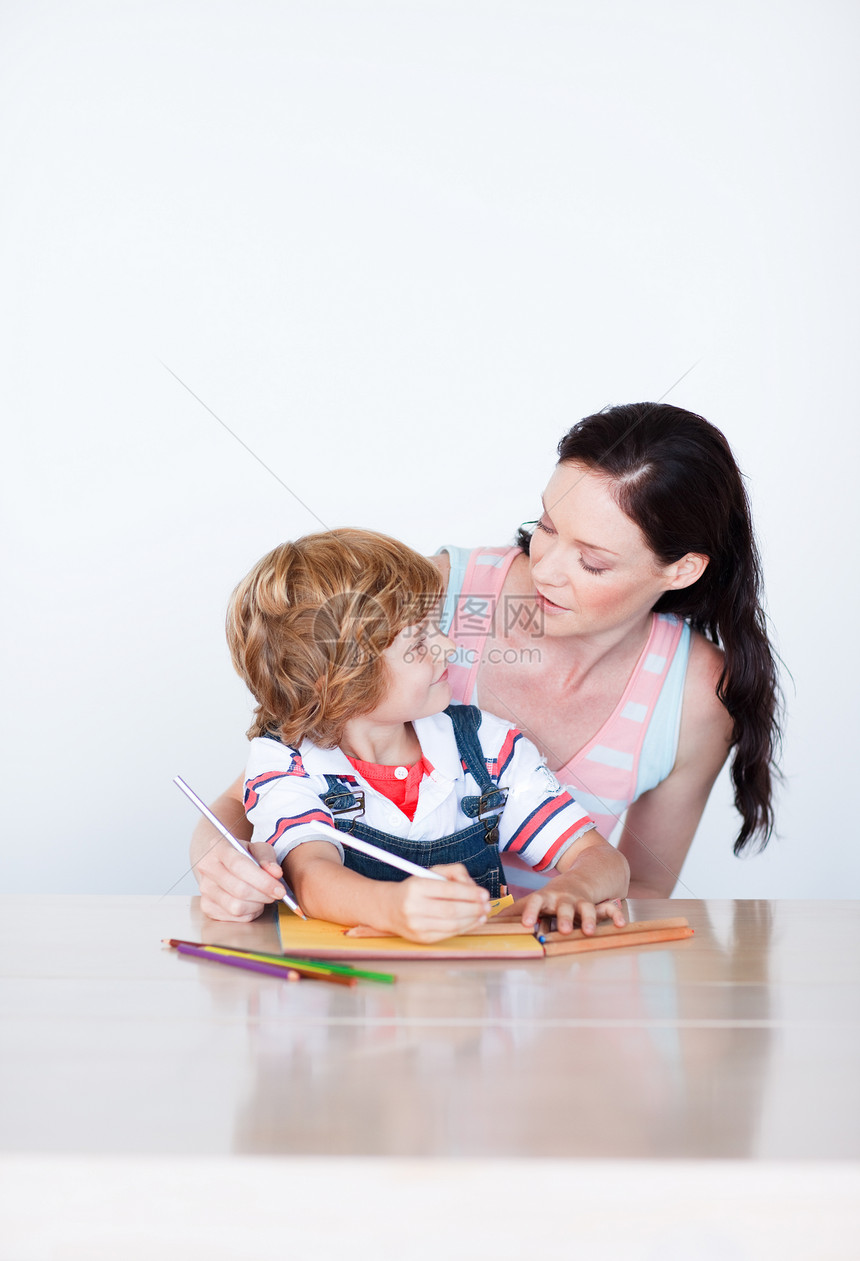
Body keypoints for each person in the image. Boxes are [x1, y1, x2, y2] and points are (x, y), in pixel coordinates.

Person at [191, 402, 781, 918]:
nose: (546, 568)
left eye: (593, 562)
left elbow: (644, 882)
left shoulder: (698, 694)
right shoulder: (439, 599)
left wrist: (548, 920)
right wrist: (221, 863)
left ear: (680, 569)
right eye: (545, 527)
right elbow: (282, 764)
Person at [224, 529, 629, 943]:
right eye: (419, 642)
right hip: (348, 996)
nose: (449, 647)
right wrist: (393, 909)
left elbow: (603, 859)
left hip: (474, 993)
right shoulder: (287, 763)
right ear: (340, 679)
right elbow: (311, 876)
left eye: (437, 626)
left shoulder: (489, 747)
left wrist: (573, 889)